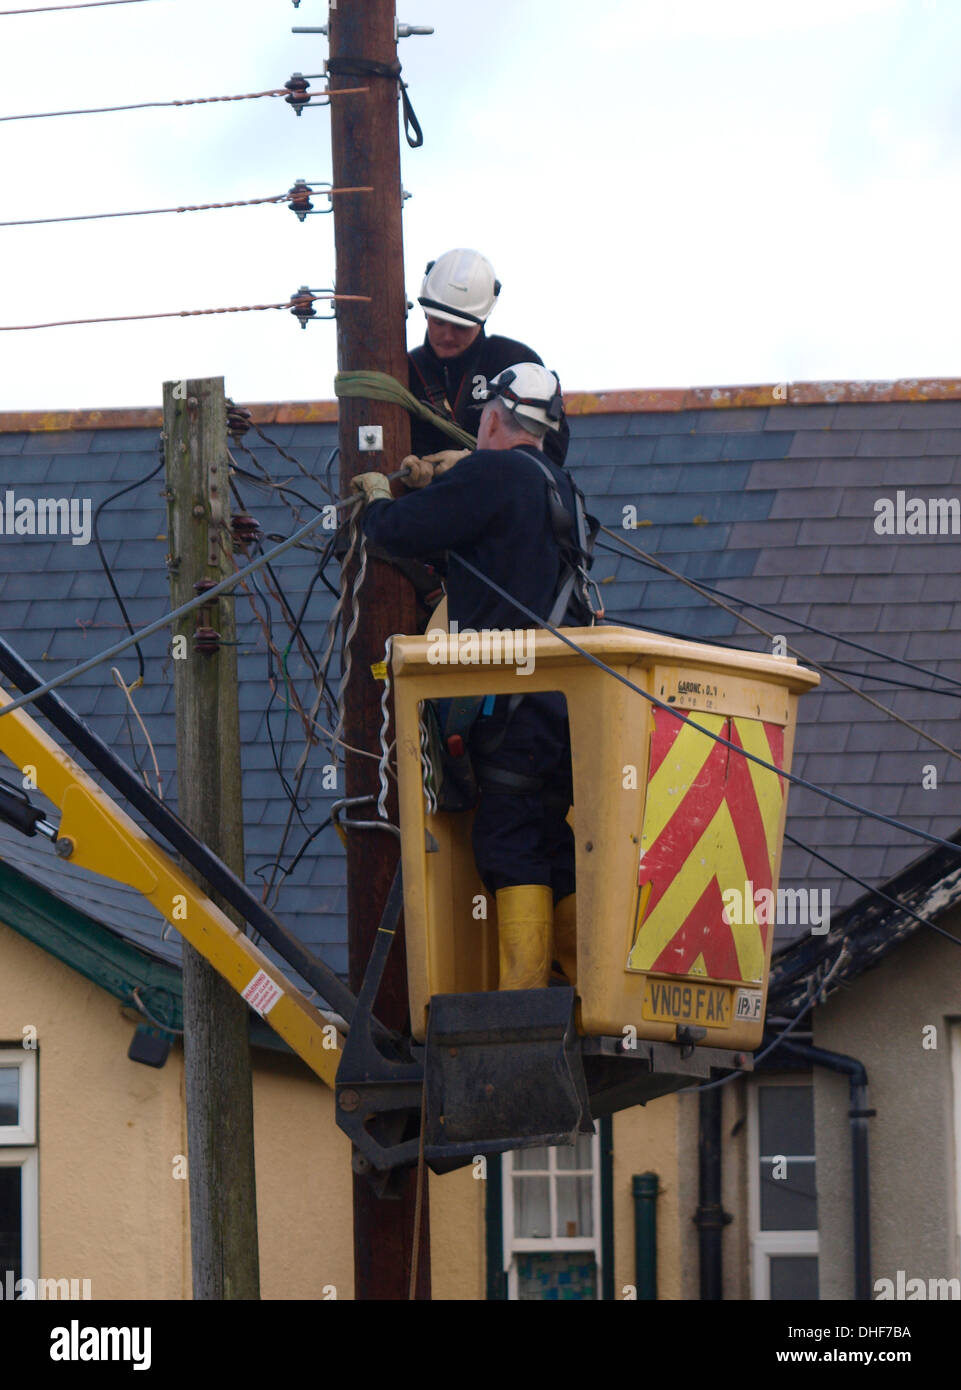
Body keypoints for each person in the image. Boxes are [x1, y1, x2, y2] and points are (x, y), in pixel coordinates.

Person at [353, 363, 587, 992]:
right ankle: (581, 987)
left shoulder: (492, 474)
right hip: (562, 708)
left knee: (508, 841)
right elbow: (492, 547)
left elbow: (400, 532)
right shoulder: (561, 488)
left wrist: (377, 500)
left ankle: (525, 1001)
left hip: (505, 703)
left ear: (489, 418)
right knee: (549, 842)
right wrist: (456, 481)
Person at [406, 248, 570, 469]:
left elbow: (550, 452)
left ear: (481, 320)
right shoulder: (406, 371)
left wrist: (473, 463)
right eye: (439, 322)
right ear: (426, 313)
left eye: (460, 326)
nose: (447, 335)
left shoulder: (516, 364)